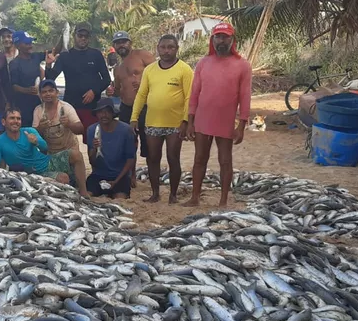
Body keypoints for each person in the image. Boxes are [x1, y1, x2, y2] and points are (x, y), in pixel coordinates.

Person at [185, 22, 252, 208]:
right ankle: (194, 197)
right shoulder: (203, 63)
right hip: (202, 118)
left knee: (225, 160)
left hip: (226, 120)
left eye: (225, 37)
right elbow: (195, 93)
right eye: (218, 37)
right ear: (212, 39)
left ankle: (223, 200)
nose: (221, 41)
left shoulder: (243, 65)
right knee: (199, 159)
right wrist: (190, 121)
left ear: (232, 40)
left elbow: (245, 96)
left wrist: (242, 125)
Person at [131, 34, 193, 204]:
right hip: (152, 122)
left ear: (176, 49)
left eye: (170, 47)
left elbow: (189, 97)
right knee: (152, 158)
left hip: (175, 124)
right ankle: (155, 193)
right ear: (158, 48)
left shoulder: (184, 69)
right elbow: (142, 94)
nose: (166, 51)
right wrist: (134, 117)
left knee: (173, 158)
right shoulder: (150, 70)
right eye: (163, 47)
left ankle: (173, 195)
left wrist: (186, 121)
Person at [0, 108, 88, 196]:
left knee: (76, 154)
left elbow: (45, 148)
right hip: (33, 174)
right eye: (12, 118)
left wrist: (36, 142)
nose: (16, 121)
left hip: (48, 162)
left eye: (18, 118)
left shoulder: (29, 131)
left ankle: (84, 192)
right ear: (3, 122)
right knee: (63, 178)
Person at [45, 22, 110, 139]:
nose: (83, 38)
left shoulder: (96, 54)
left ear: (89, 38)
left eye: (86, 36)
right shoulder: (65, 56)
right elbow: (50, 79)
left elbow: (106, 79)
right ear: (74, 36)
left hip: (92, 107)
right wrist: (48, 66)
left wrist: (94, 91)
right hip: (70, 106)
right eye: (80, 35)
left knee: (93, 144)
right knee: (67, 143)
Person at [107, 30, 155, 185]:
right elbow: (119, 91)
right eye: (118, 43)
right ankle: (132, 176)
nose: (121, 45)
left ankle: (153, 177)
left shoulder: (142, 55)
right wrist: (112, 91)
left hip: (146, 107)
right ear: (114, 45)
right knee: (129, 144)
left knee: (149, 143)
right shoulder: (117, 68)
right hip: (126, 108)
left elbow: (160, 73)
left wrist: (144, 83)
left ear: (130, 43)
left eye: (124, 42)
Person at [86, 98, 136, 199]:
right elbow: (92, 161)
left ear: (113, 113)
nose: (104, 115)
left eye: (108, 112)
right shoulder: (92, 130)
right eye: (100, 112)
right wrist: (95, 149)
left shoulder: (126, 130)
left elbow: (131, 159)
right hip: (98, 175)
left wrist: (116, 181)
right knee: (87, 196)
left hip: (120, 175)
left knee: (120, 198)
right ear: (96, 114)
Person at [33, 79, 84, 156]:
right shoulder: (38, 110)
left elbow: (81, 129)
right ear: (40, 95)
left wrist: (69, 124)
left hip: (70, 151)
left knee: (76, 156)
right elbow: (33, 135)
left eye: (51, 91)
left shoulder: (66, 107)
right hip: (50, 153)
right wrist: (40, 128)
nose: (48, 94)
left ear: (57, 92)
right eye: (44, 92)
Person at [8, 31, 47, 127]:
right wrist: (27, 90)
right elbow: (14, 86)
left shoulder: (36, 57)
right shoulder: (14, 63)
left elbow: (54, 51)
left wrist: (63, 36)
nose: (30, 46)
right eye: (26, 43)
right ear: (18, 46)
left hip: (38, 104)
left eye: (30, 43)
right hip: (22, 106)